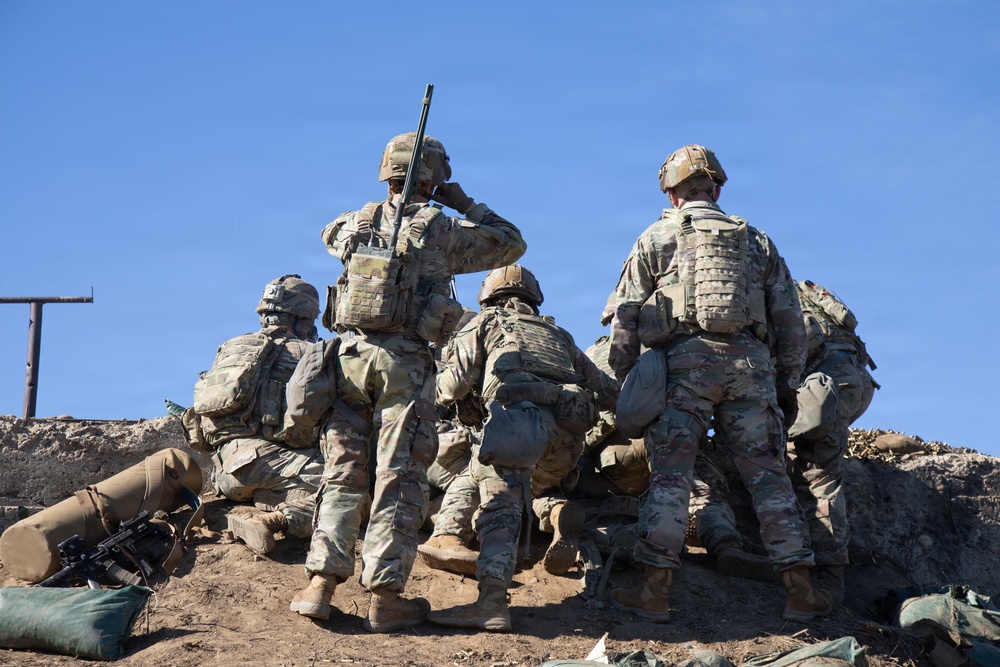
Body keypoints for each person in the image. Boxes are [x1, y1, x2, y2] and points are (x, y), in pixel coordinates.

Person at [289, 133, 526, 633]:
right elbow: (511, 242)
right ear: (433, 177)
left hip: (348, 358)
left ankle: (320, 587)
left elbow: (327, 234)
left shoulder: (352, 222)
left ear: (385, 173)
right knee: (398, 476)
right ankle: (384, 596)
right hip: (405, 365)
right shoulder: (441, 227)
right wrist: (458, 199)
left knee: (343, 473)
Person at [604, 144, 831, 623]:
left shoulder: (657, 235)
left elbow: (624, 317)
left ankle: (654, 592)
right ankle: (800, 592)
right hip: (751, 370)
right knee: (769, 478)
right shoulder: (757, 240)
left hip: (683, 368)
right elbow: (792, 323)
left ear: (672, 194)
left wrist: (628, 379)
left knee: (671, 477)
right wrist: (787, 385)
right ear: (718, 189)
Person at [428, 265, 618, 632]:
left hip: (516, 430)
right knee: (509, 482)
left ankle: (490, 601)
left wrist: (431, 398)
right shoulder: (558, 334)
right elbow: (608, 392)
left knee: (498, 503)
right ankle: (553, 511)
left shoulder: (484, 323)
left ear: (486, 296)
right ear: (534, 296)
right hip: (565, 444)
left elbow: (453, 385)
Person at [181, 275, 324, 555]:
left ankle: (274, 497)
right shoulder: (308, 353)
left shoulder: (234, 348)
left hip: (223, 473)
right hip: (267, 462)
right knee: (349, 482)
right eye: (309, 320)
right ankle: (272, 521)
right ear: (300, 317)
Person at [786, 279, 878, 604]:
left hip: (828, 388)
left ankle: (829, 581)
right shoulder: (797, 288)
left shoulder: (767, 296)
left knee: (817, 473)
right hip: (855, 380)